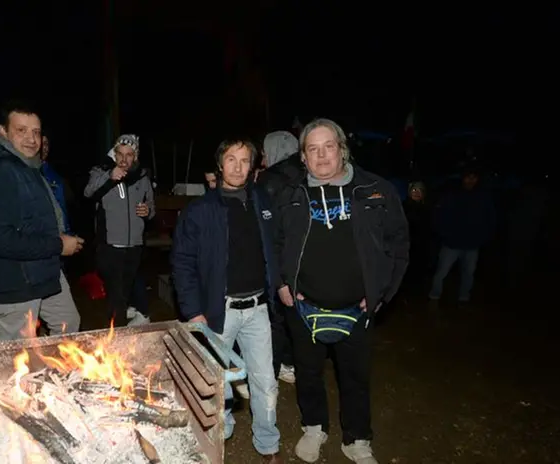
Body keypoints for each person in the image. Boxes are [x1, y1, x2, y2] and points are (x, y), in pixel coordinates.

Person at [275, 119, 409, 464]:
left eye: (328, 147)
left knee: (355, 377)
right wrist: (281, 284)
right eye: (313, 149)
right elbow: (274, 243)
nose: (321, 156)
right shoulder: (290, 195)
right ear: (303, 157)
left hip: (358, 307)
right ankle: (314, 427)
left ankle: (357, 439)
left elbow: (398, 244)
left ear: (342, 150)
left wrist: (381, 293)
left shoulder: (375, 190)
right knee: (308, 374)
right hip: (303, 306)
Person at [173, 138, 283, 464]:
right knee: (216, 381)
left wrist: (280, 285)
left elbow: (275, 248)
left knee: (265, 382)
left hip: (258, 309)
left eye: (244, 160)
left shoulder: (262, 203)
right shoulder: (200, 211)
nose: (237, 167)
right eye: (231, 159)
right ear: (220, 165)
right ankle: (221, 432)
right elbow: (182, 263)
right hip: (218, 311)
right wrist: (193, 311)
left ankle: (268, 443)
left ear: (254, 167)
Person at [0, 100, 83, 340]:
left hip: (43, 270)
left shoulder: (27, 167)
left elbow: (33, 219)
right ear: (3, 131)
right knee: (18, 350)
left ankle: (54, 365)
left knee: (68, 324)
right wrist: (58, 245)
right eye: (21, 130)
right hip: (13, 279)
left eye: (36, 132)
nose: (31, 139)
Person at [84, 134, 155, 327]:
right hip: (109, 246)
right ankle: (118, 333)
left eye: (129, 155)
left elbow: (151, 206)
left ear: (135, 157)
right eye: (120, 154)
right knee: (116, 294)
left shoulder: (142, 178)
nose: (124, 159)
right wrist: (109, 177)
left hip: (134, 246)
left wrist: (148, 211)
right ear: (114, 154)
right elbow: (88, 193)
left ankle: (119, 324)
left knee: (123, 291)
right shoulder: (101, 172)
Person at [256, 130, 302, 384]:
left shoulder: (269, 181)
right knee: (292, 315)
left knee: (272, 318)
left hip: (276, 259)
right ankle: (289, 362)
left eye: (265, 152)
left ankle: (268, 374)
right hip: (300, 260)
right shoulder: (308, 174)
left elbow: (264, 225)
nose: (263, 158)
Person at [428, 167, 496, 307]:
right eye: (468, 177)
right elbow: (438, 216)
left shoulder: (483, 197)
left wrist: (482, 238)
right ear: (463, 178)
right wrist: (445, 234)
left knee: (469, 274)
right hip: (451, 244)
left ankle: (464, 297)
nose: (471, 180)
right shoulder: (451, 195)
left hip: (472, 245)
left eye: (473, 177)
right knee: (441, 272)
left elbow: (490, 219)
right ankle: (434, 295)